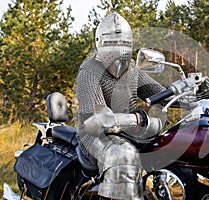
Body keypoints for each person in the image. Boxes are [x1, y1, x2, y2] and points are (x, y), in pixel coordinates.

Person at [75, 12, 164, 200]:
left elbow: (160, 93)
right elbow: (95, 122)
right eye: (111, 42)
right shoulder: (90, 70)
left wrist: (193, 91)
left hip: (128, 131)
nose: (118, 48)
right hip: (94, 136)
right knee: (122, 155)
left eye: (124, 42)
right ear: (99, 42)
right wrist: (139, 119)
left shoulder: (132, 68)